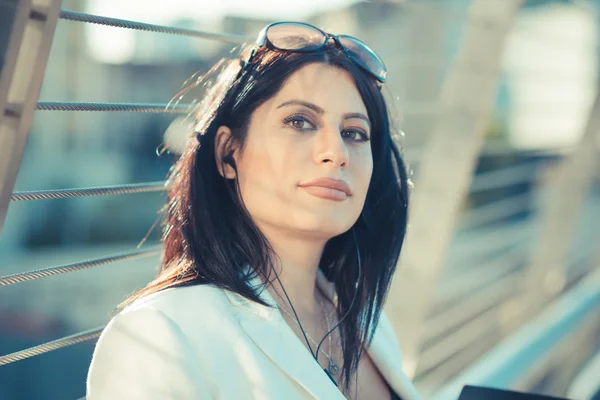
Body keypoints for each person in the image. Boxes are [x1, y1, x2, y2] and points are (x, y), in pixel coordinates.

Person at [86, 21, 421, 400]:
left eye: (354, 133)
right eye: (299, 122)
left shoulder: (368, 324)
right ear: (229, 152)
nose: (336, 153)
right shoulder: (160, 334)